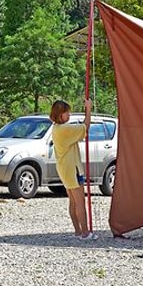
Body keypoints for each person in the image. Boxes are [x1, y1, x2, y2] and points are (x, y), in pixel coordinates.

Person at [50, 98, 97, 240]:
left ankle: (78, 231)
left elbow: (81, 128)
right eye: (67, 113)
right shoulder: (64, 129)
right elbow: (85, 127)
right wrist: (88, 109)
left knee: (73, 201)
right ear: (60, 114)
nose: (69, 115)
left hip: (64, 169)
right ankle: (85, 232)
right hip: (72, 169)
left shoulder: (56, 128)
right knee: (80, 201)